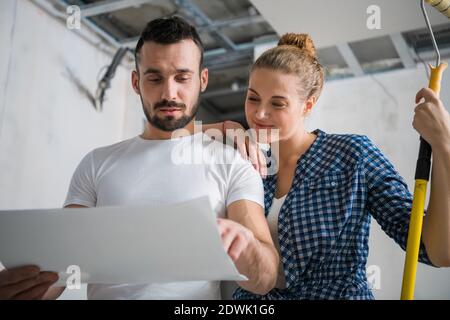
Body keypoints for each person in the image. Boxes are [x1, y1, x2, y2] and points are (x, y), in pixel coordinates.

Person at [0, 16, 279, 300]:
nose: (169, 93)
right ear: (136, 82)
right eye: (155, 78)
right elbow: (61, 269)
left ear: (202, 80)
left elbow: (265, 277)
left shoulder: (232, 164)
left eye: (182, 77)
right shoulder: (97, 163)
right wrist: (19, 289)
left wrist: (247, 249)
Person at [206, 33, 450, 299]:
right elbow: (163, 138)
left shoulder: (353, 156)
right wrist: (219, 127)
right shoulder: (243, 162)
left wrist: (443, 144)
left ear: (307, 105)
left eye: (277, 103)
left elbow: (436, 250)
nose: (260, 113)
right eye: (253, 98)